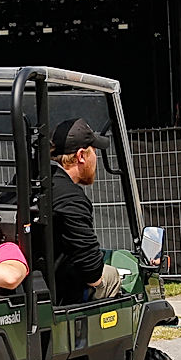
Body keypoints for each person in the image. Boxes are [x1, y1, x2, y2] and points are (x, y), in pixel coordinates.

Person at [48, 117, 123, 304]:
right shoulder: (71, 198)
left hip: (33, 277)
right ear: (81, 156)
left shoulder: (30, 181)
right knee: (111, 275)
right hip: (57, 290)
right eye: (94, 152)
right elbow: (91, 270)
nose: (95, 159)